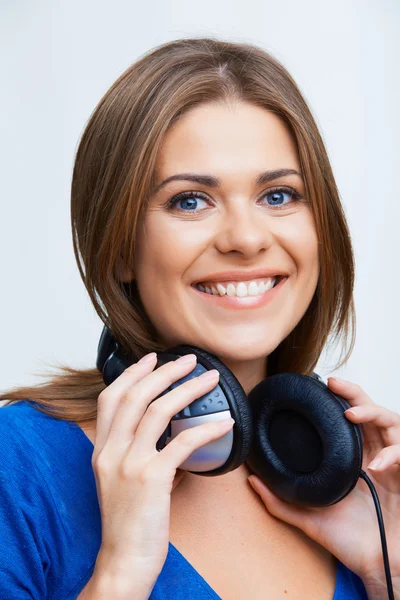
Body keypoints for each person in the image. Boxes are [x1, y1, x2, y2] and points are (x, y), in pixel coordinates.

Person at [0, 37, 399, 600]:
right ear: (117, 247)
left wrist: (389, 573)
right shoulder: (18, 465)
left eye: (279, 195)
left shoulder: (353, 481)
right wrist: (121, 571)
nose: (246, 238)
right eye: (190, 200)